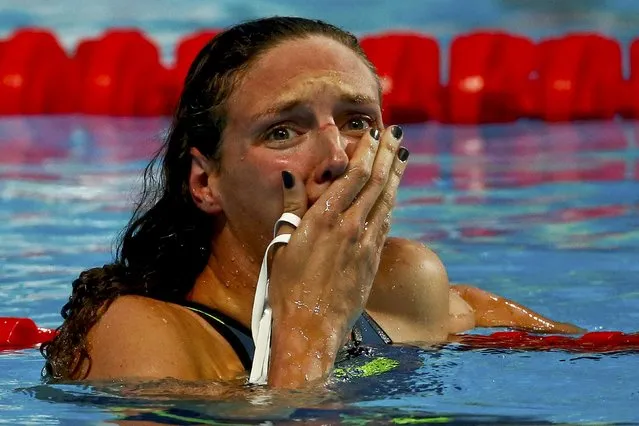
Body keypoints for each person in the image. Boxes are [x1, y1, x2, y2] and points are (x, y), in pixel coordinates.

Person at [41, 16, 583, 389]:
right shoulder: (140, 335)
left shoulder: (403, 286)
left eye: (357, 122)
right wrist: (307, 323)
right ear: (206, 183)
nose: (339, 158)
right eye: (283, 131)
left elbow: (478, 310)